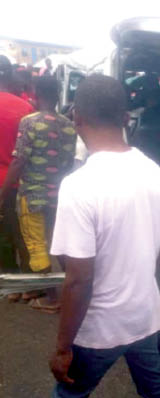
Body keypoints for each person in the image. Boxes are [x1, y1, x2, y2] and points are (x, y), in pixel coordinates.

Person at [48, 74, 160, 398]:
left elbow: (78, 279)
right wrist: (148, 285)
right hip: (142, 316)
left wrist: (62, 347)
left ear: (76, 117)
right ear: (125, 117)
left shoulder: (80, 185)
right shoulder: (151, 169)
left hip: (100, 329)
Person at [0, 76, 76, 311]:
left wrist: (2, 195)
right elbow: (67, 162)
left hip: (31, 195)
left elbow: (18, 161)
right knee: (60, 244)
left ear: (35, 93)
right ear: (57, 93)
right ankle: (72, 292)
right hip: (58, 194)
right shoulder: (68, 124)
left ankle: (51, 297)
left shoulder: (29, 122)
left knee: (36, 245)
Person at [0, 55, 33, 275]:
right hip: (18, 182)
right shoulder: (26, 108)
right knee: (22, 232)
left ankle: (8, 278)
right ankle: (28, 282)